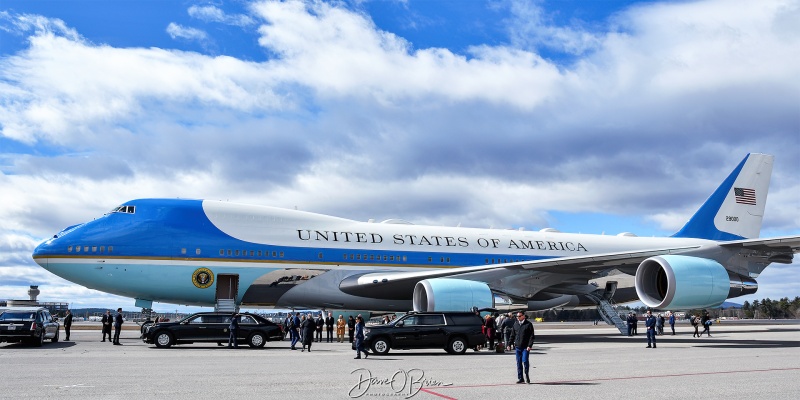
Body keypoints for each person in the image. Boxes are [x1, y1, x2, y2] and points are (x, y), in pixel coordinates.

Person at [512, 312, 534, 384]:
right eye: (517, 316)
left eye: (519, 316)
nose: (518, 317)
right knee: (518, 362)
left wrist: (529, 345)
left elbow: (531, 336)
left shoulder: (528, 324)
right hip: (518, 347)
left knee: (525, 361)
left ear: (523, 316)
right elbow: (512, 335)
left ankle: (527, 375)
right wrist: (509, 344)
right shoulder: (516, 324)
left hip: (525, 347)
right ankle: (521, 378)